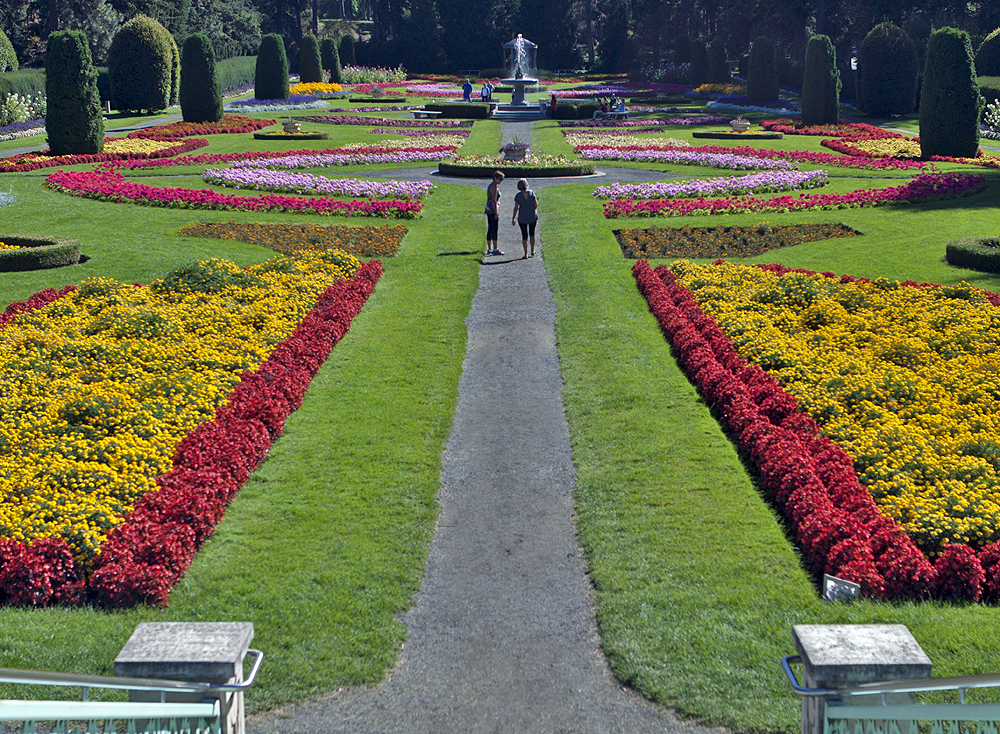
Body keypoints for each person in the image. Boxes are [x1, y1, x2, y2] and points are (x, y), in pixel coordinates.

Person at [511, 178, 538, 259]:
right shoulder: (531, 193)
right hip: (532, 216)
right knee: (532, 233)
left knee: (524, 235)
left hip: (522, 217)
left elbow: (516, 208)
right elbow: (536, 204)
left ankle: (525, 253)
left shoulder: (518, 196)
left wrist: (513, 218)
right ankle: (532, 250)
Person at [485, 171, 505, 257]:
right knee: (494, 229)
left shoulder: (491, 185)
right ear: (495, 178)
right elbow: (494, 200)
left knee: (490, 228)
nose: (501, 181)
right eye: (500, 179)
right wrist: (496, 213)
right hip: (493, 210)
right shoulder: (494, 187)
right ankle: (495, 248)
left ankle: (489, 248)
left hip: (489, 209)